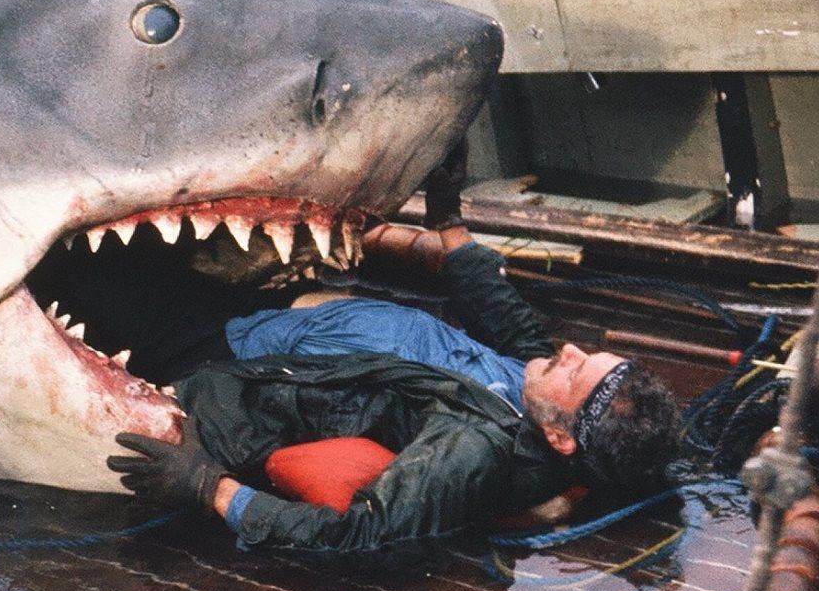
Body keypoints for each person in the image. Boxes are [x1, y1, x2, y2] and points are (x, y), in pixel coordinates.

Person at [106, 225, 683, 552]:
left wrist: (212, 491)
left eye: (577, 371)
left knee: (106, 277)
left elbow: (362, 534)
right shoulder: (539, 397)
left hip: (228, 357)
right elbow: (526, 340)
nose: (572, 350)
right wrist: (462, 249)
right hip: (289, 310)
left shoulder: (473, 448)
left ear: (559, 438)